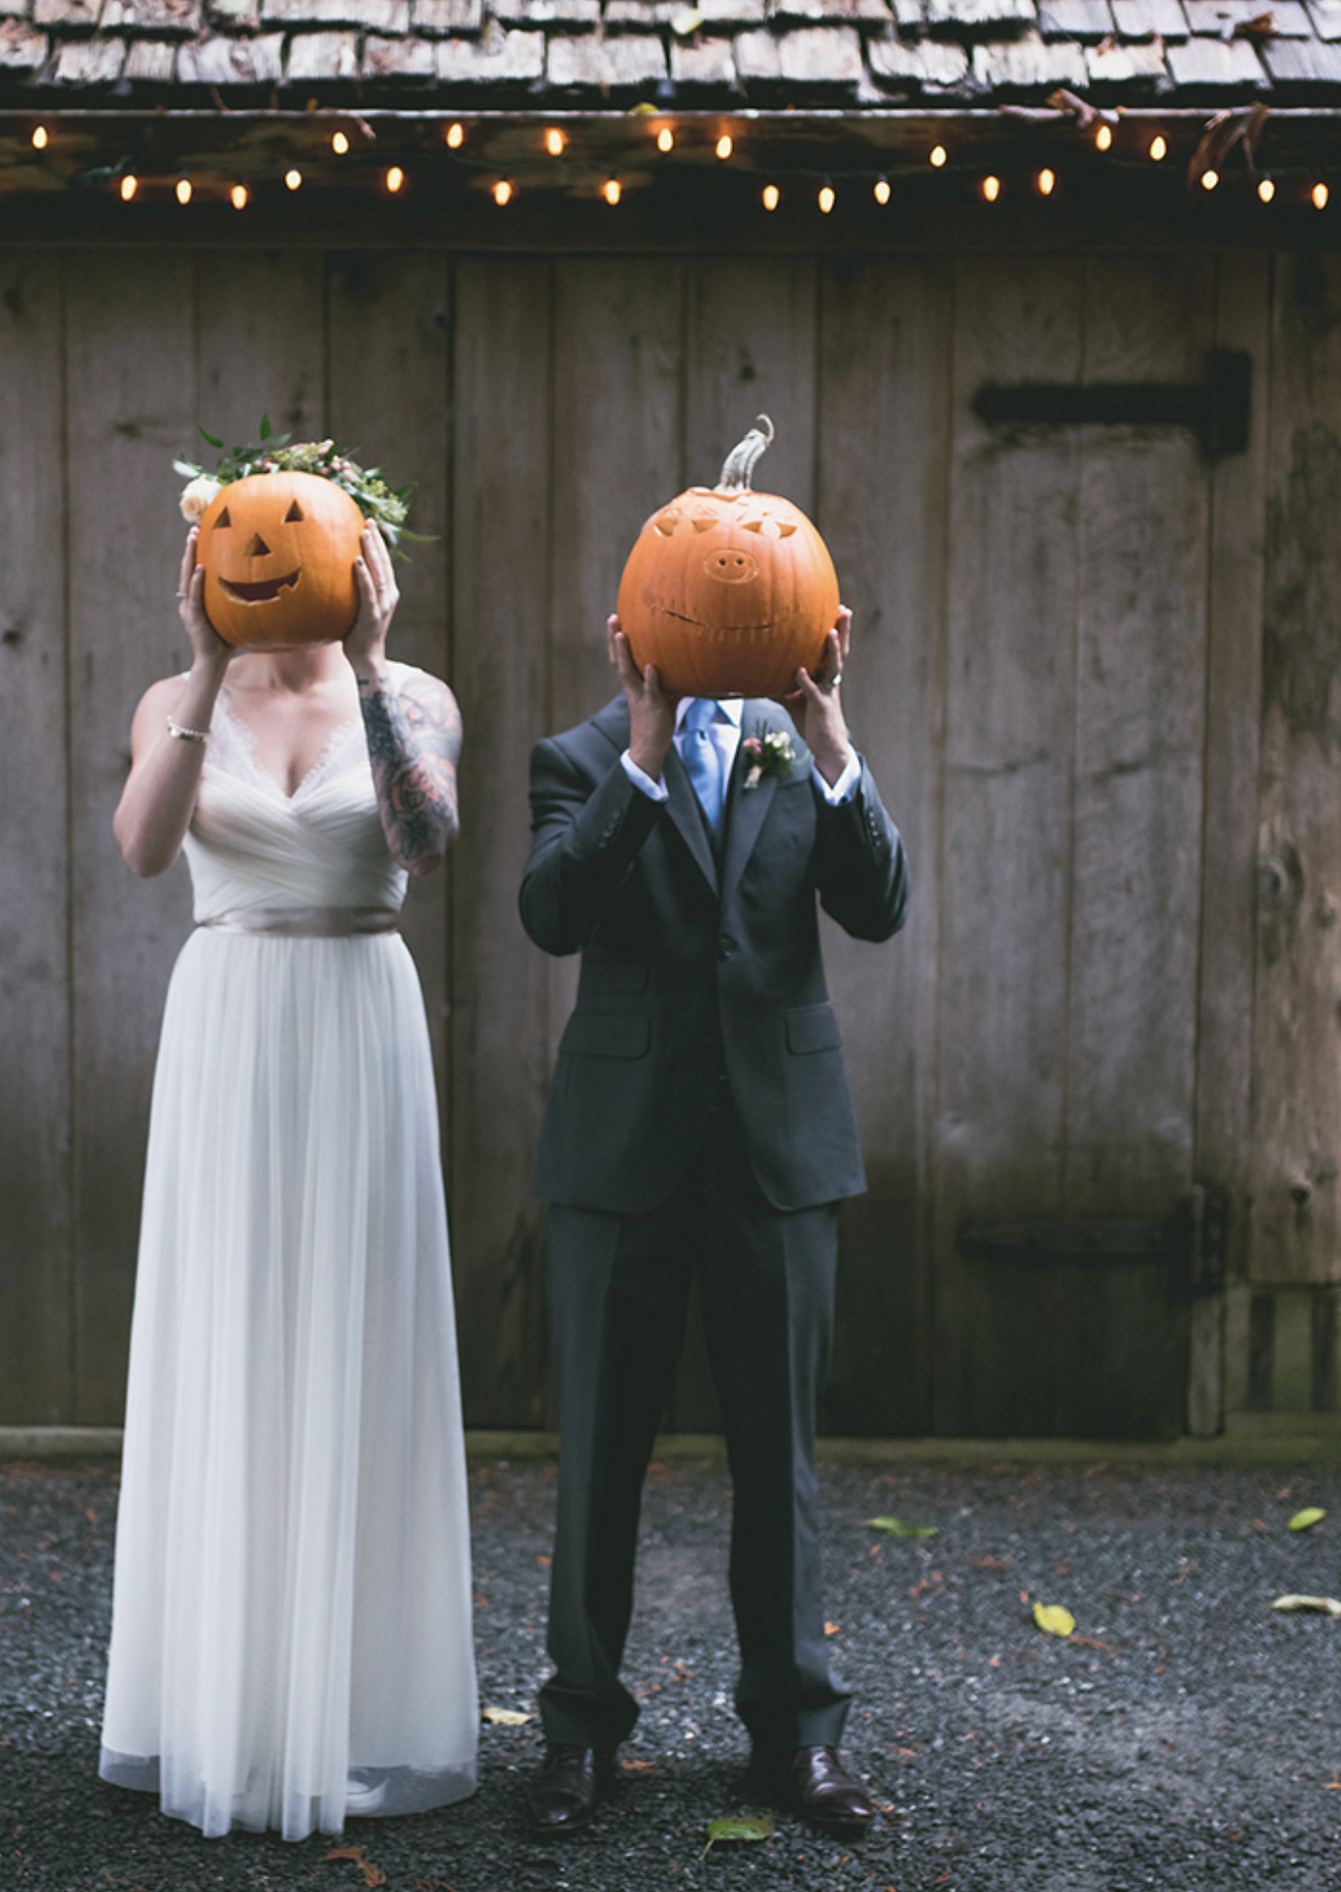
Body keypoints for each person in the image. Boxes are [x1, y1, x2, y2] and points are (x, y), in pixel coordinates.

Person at [98, 501, 479, 1841]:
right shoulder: (173, 695)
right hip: (231, 1025)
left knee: (351, 1349)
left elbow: (426, 838)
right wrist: (201, 666)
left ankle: (354, 1709)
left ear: (363, 561)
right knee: (233, 1344)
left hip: (359, 1017)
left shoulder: (414, 694)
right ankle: (232, 1709)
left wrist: (372, 666)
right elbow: (144, 847)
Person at [515, 608, 908, 1840]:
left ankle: (796, 1738)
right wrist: (639, 752)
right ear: (628, 630)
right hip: (620, 1147)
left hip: (776, 1148)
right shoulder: (577, 756)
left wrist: (831, 734)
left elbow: (879, 905)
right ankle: (579, 1733)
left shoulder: (800, 749)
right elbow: (552, 911)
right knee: (598, 1452)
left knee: (776, 1459)